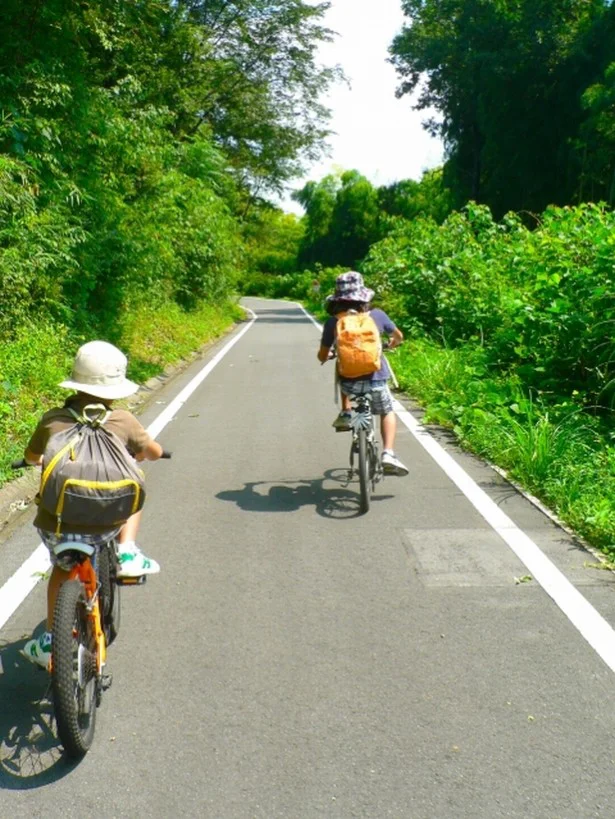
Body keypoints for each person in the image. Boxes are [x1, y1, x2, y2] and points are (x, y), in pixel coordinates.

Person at [21, 340, 164, 669]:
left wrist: (41, 459)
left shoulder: (52, 420)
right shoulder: (123, 420)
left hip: (57, 526)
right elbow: (152, 452)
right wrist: (143, 452)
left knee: (61, 568)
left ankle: (49, 642)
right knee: (136, 480)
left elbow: (32, 457)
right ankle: (127, 549)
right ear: (115, 387)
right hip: (107, 524)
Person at [317, 271, 409, 477]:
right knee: (386, 410)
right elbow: (399, 336)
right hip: (376, 381)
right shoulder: (377, 315)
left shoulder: (333, 322)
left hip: (350, 385)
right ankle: (388, 453)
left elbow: (322, 355)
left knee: (343, 370)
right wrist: (392, 343)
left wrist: (330, 354)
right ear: (363, 297)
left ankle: (347, 412)